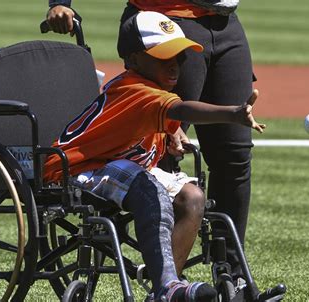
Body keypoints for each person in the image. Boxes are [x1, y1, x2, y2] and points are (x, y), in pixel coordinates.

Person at [44, 10, 265, 301]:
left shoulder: (153, 88)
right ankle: (168, 287)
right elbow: (182, 109)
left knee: (193, 198)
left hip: (123, 166)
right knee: (151, 192)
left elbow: (150, 127)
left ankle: (167, 284)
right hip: (80, 168)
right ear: (133, 59)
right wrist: (233, 113)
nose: (174, 66)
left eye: (179, 57)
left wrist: (170, 137)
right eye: (163, 58)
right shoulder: (136, 89)